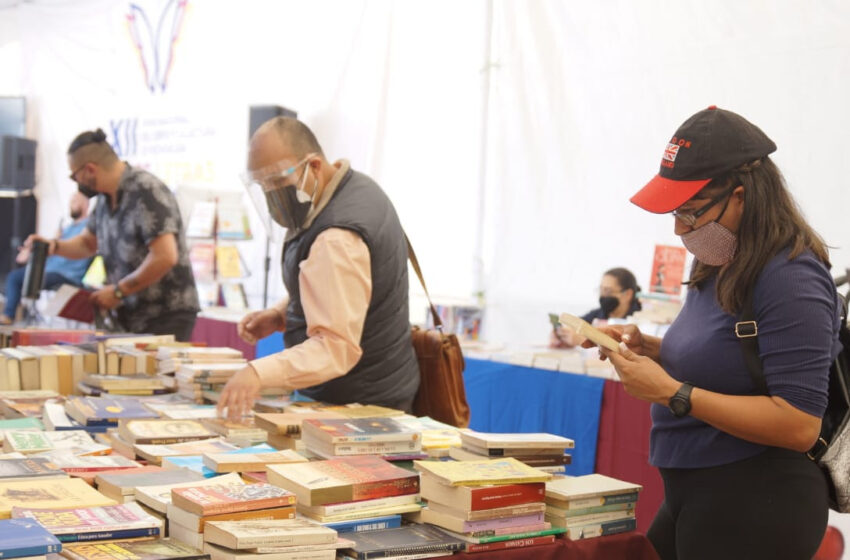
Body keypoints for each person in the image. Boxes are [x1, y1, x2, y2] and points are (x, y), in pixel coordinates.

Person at [586, 106, 839, 559]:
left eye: (690, 212)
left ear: (742, 196)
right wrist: (651, 349)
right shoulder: (720, 258)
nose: (680, 228)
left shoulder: (791, 275)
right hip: (699, 488)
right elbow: (729, 361)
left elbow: (800, 424)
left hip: (758, 497)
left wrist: (672, 394)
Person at [217, 117, 420, 420]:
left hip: (362, 405)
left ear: (312, 167)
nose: (271, 195)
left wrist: (257, 373)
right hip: (372, 391)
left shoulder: (337, 236)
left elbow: (334, 347)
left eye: (276, 182)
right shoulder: (353, 188)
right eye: (262, 185)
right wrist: (281, 313)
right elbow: (342, 287)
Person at [28, 128, 200, 340]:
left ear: (90, 169)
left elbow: (165, 256)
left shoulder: (146, 190)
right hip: (130, 316)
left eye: (75, 176)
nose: (77, 182)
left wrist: (118, 292)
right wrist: (53, 246)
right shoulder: (103, 200)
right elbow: (87, 244)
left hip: (165, 315)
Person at [1, 192, 92, 324]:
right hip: (50, 269)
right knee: (16, 276)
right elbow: (54, 248)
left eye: (75, 201)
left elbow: (81, 247)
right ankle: (15, 314)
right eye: (71, 201)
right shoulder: (66, 228)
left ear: (85, 204)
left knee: (24, 277)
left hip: (66, 274)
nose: (71, 205)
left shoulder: (88, 228)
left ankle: (12, 315)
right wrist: (33, 250)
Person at [549, 267, 642, 348]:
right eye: (601, 290)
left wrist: (583, 341)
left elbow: (628, 349)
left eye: (608, 291)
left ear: (628, 294)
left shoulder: (642, 320)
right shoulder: (598, 314)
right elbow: (576, 324)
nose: (603, 295)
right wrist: (562, 335)